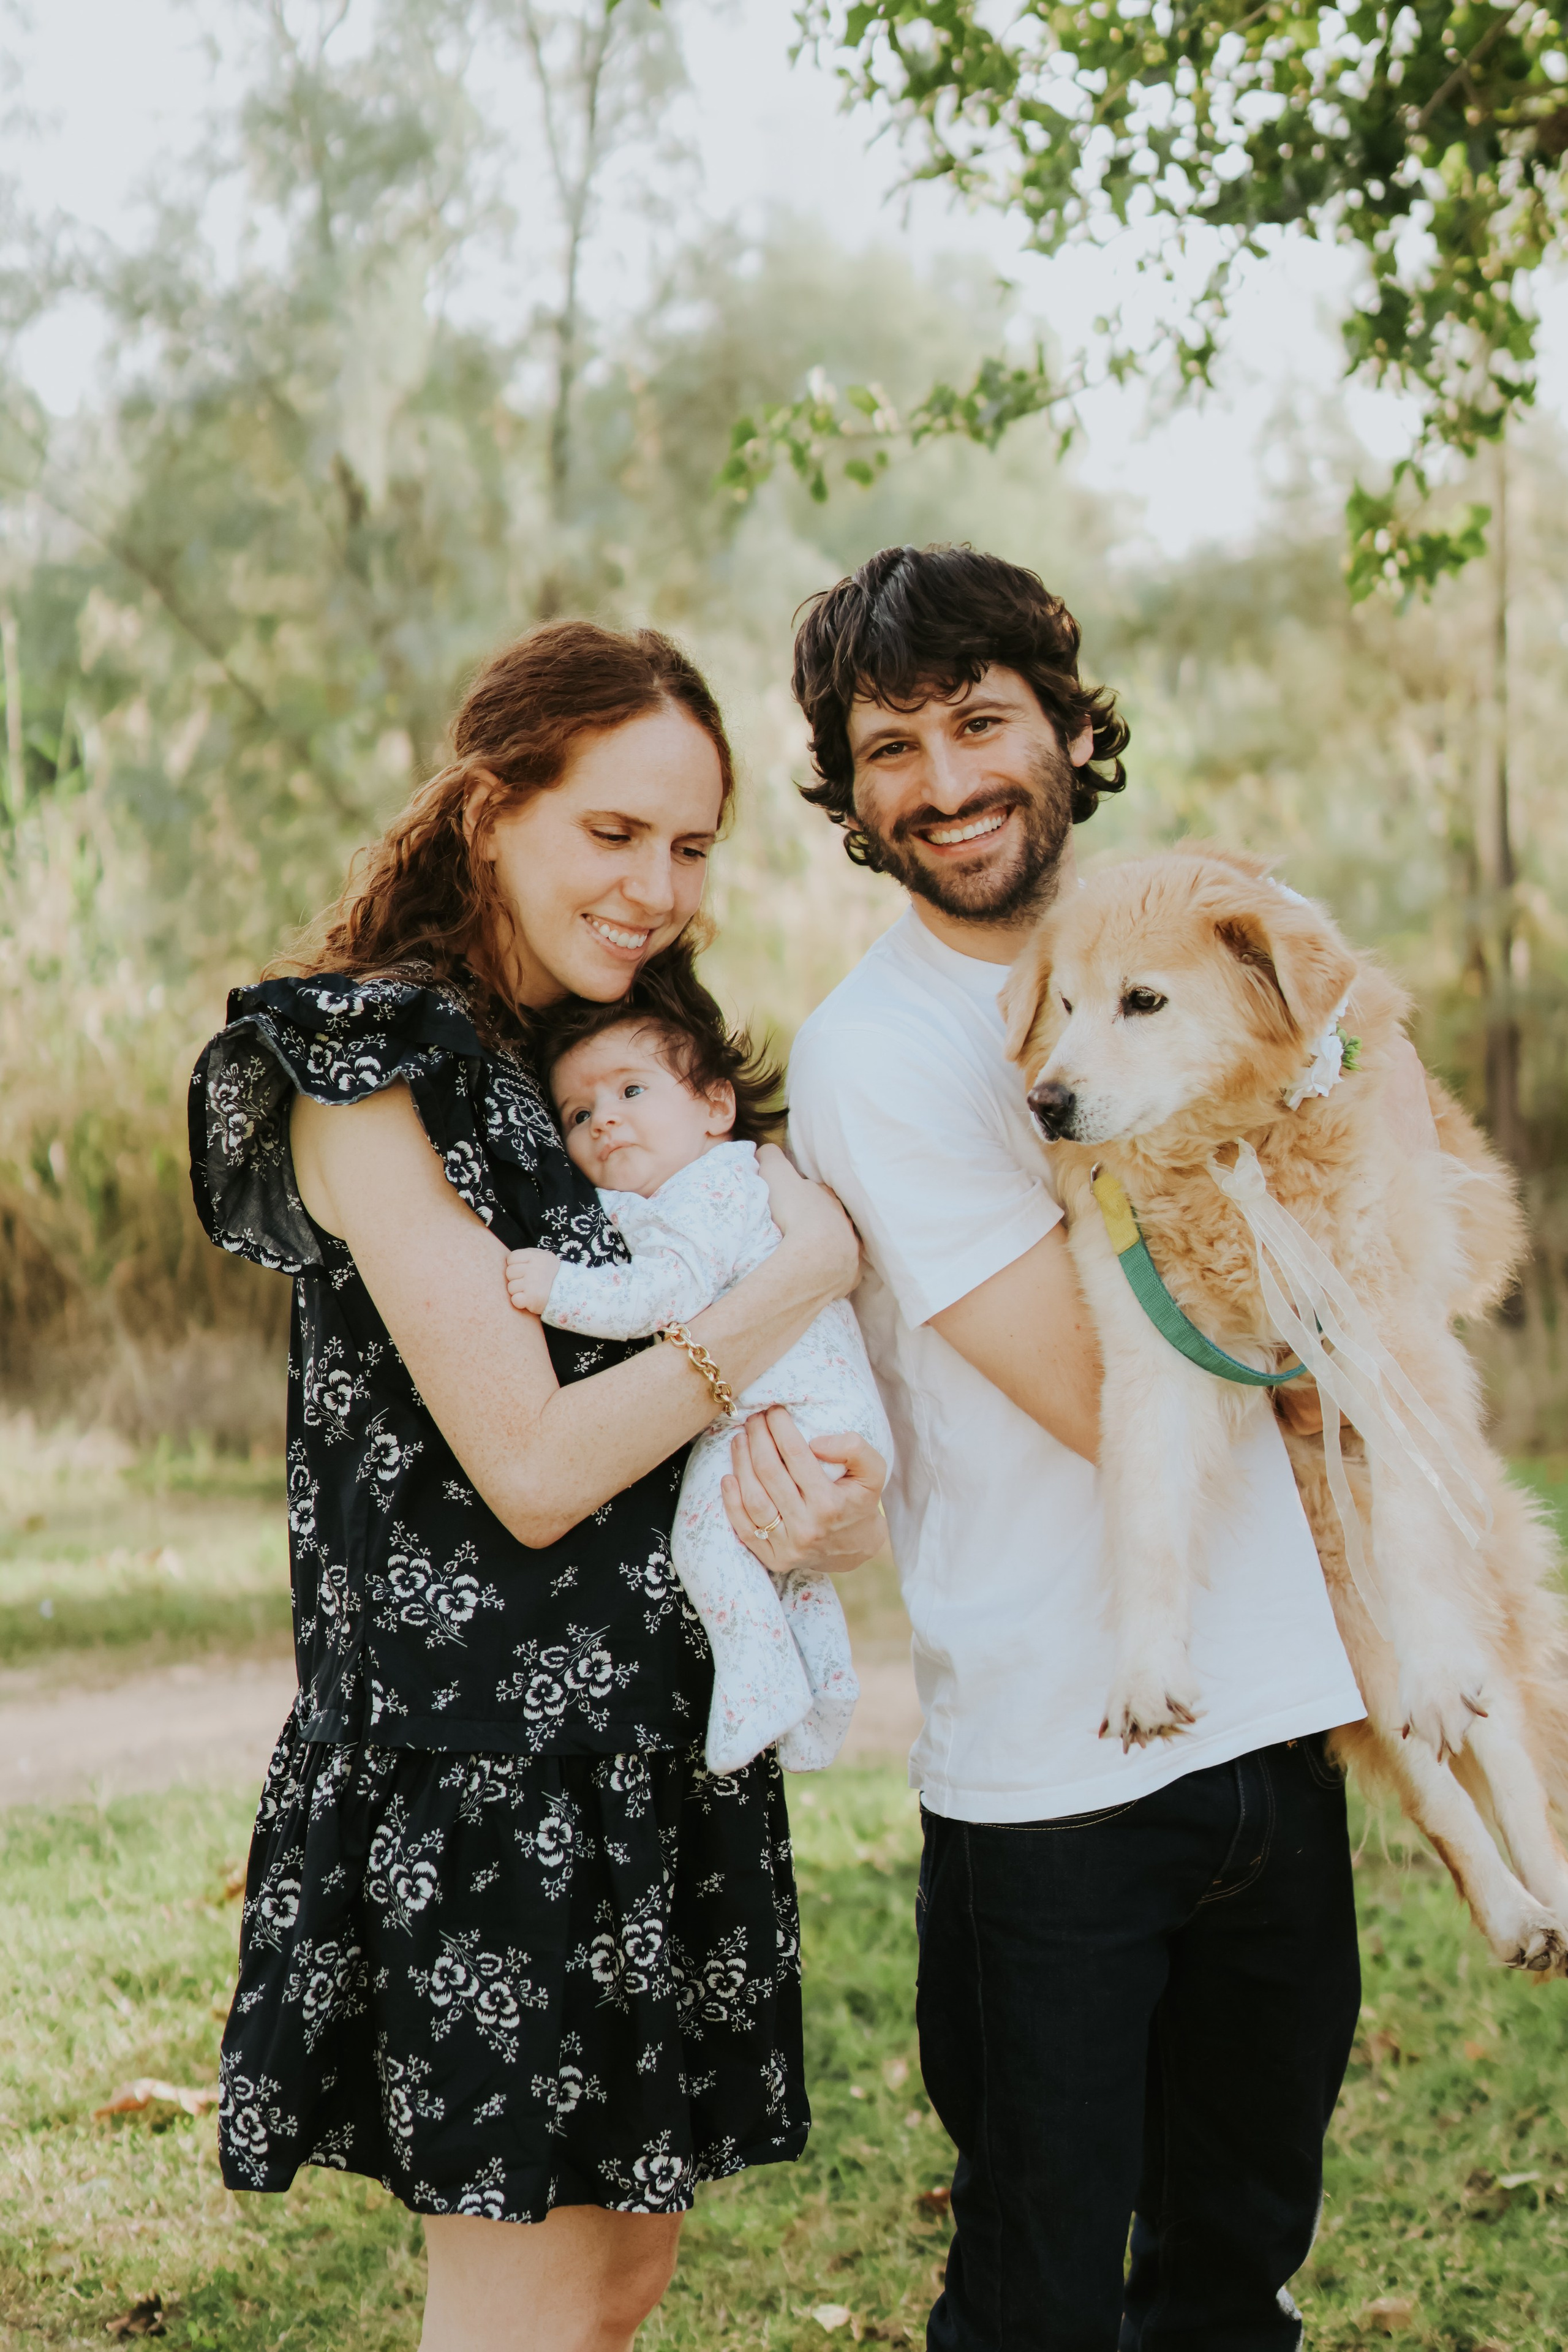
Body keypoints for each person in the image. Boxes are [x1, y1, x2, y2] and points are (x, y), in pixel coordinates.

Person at [188, 620, 888, 2352]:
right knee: (517, 2313)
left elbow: (723, 1440)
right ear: (493, 809)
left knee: (619, 2286)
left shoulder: (618, 1068)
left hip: (651, 1757)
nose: (659, 885)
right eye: (616, 832)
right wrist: (803, 1275)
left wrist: (821, 1512)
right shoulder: (368, 1068)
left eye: (695, 846)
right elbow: (536, 1467)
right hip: (485, 1781)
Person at [785, 544, 1369, 2352]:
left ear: (1062, 722)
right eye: (891, 747)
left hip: (1283, 1711)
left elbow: (1395, 1162)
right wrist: (1349, 1309)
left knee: (1237, 2271)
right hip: (1057, 1769)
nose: (946, 781)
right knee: (1039, 2293)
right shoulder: (878, 1054)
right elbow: (1123, 1388)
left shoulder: (1212, 932)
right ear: (851, 788)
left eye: (980, 720)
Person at [502, 959, 892, 1774]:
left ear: (717, 1107)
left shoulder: (706, 1192)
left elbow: (665, 1293)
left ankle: (759, 1687)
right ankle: (820, 1693)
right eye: (578, 1112)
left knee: (708, 1548)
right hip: (811, 1413)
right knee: (785, 1561)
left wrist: (557, 1287)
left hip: (786, 1409)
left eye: (631, 1092)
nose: (603, 1121)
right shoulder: (714, 1182)